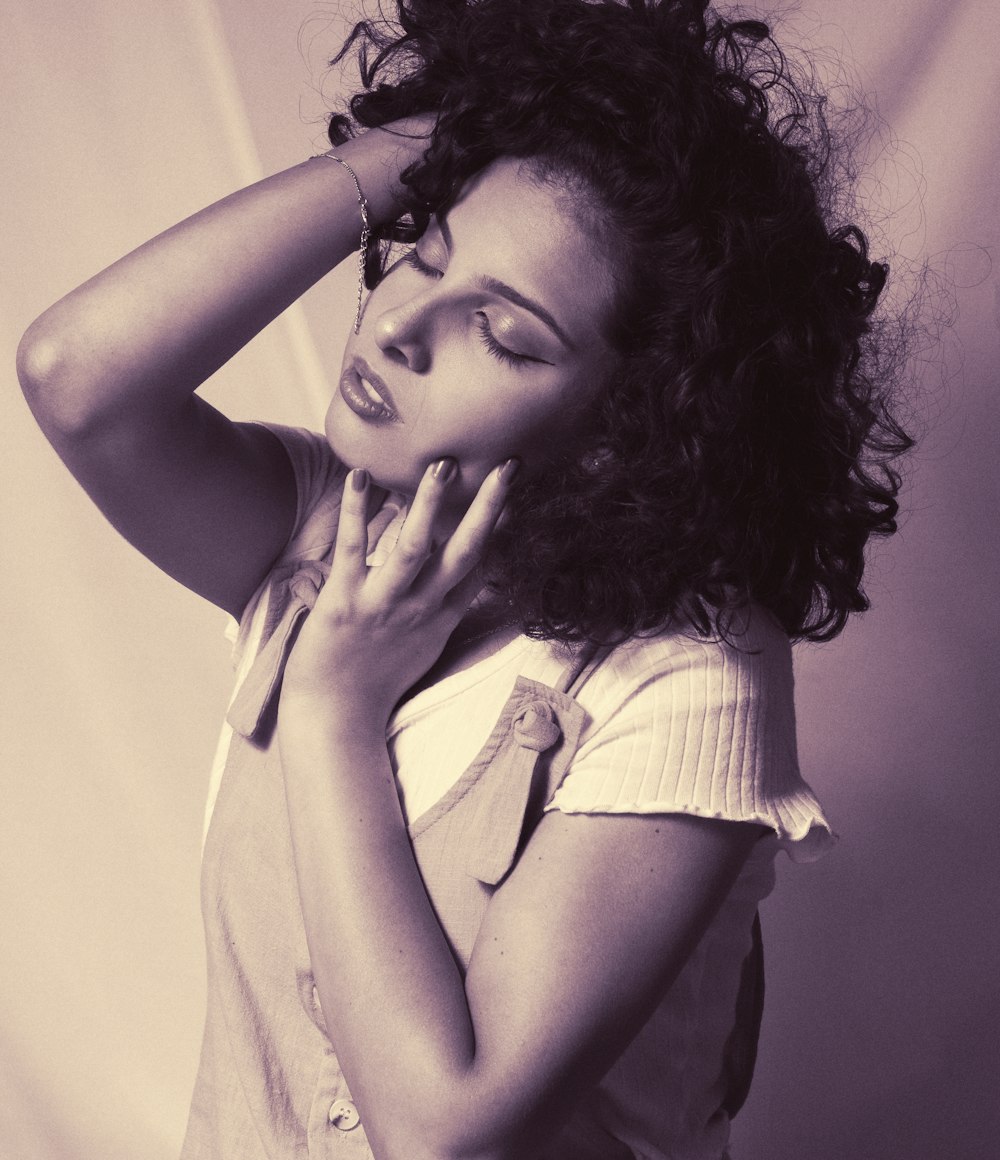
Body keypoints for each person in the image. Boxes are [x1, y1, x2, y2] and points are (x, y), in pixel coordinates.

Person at [16, 1, 913, 1157]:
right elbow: (75, 373)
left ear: (620, 426)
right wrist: (426, 147)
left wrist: (335, 713)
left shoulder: (691, 674)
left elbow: (448, 1129)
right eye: (422, 253)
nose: (398, 327)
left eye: (505, 332)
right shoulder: (326, 532)